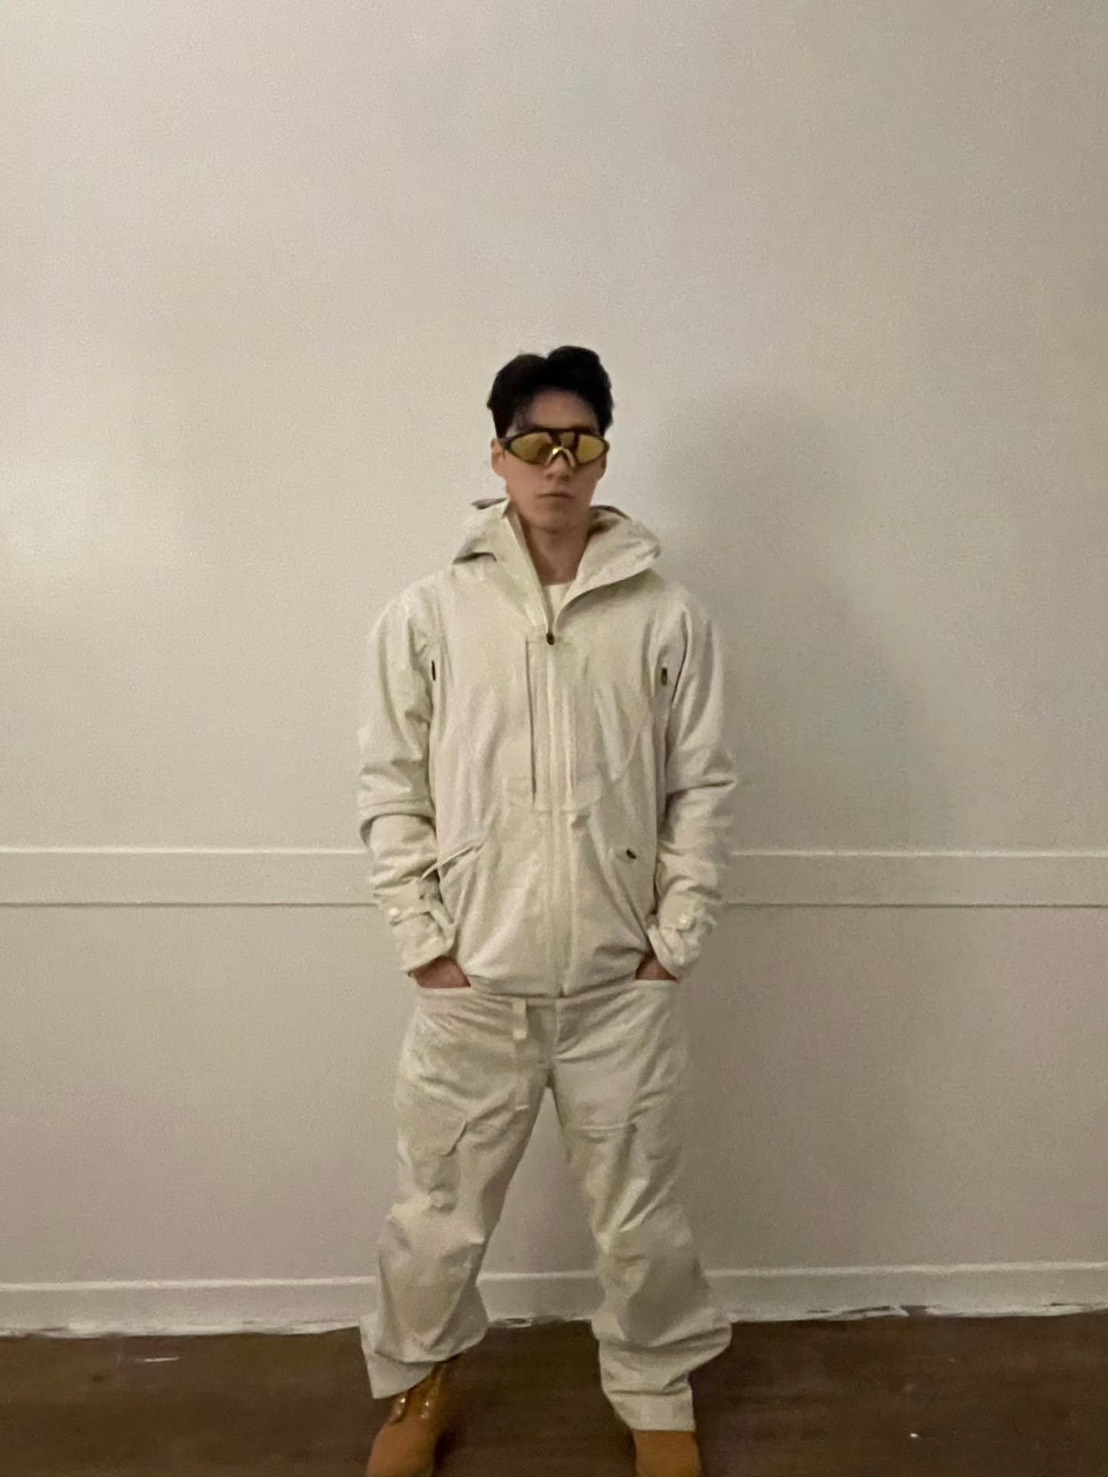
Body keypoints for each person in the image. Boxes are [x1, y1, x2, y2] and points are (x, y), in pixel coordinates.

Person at [357, 346, 736, 1477]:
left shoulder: (668, 618)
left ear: (604, 454)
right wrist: (425, 944)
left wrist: (673, 941)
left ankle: (656, 1388)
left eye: (579, 442)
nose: (557, 465)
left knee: (641, 1215)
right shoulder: (428, 615)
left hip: (620, 986)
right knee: (437, 1210)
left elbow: (703, 785)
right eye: (535, 442)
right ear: (498, 455)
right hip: (476, 984)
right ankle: (419, 1385)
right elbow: (391, 786)